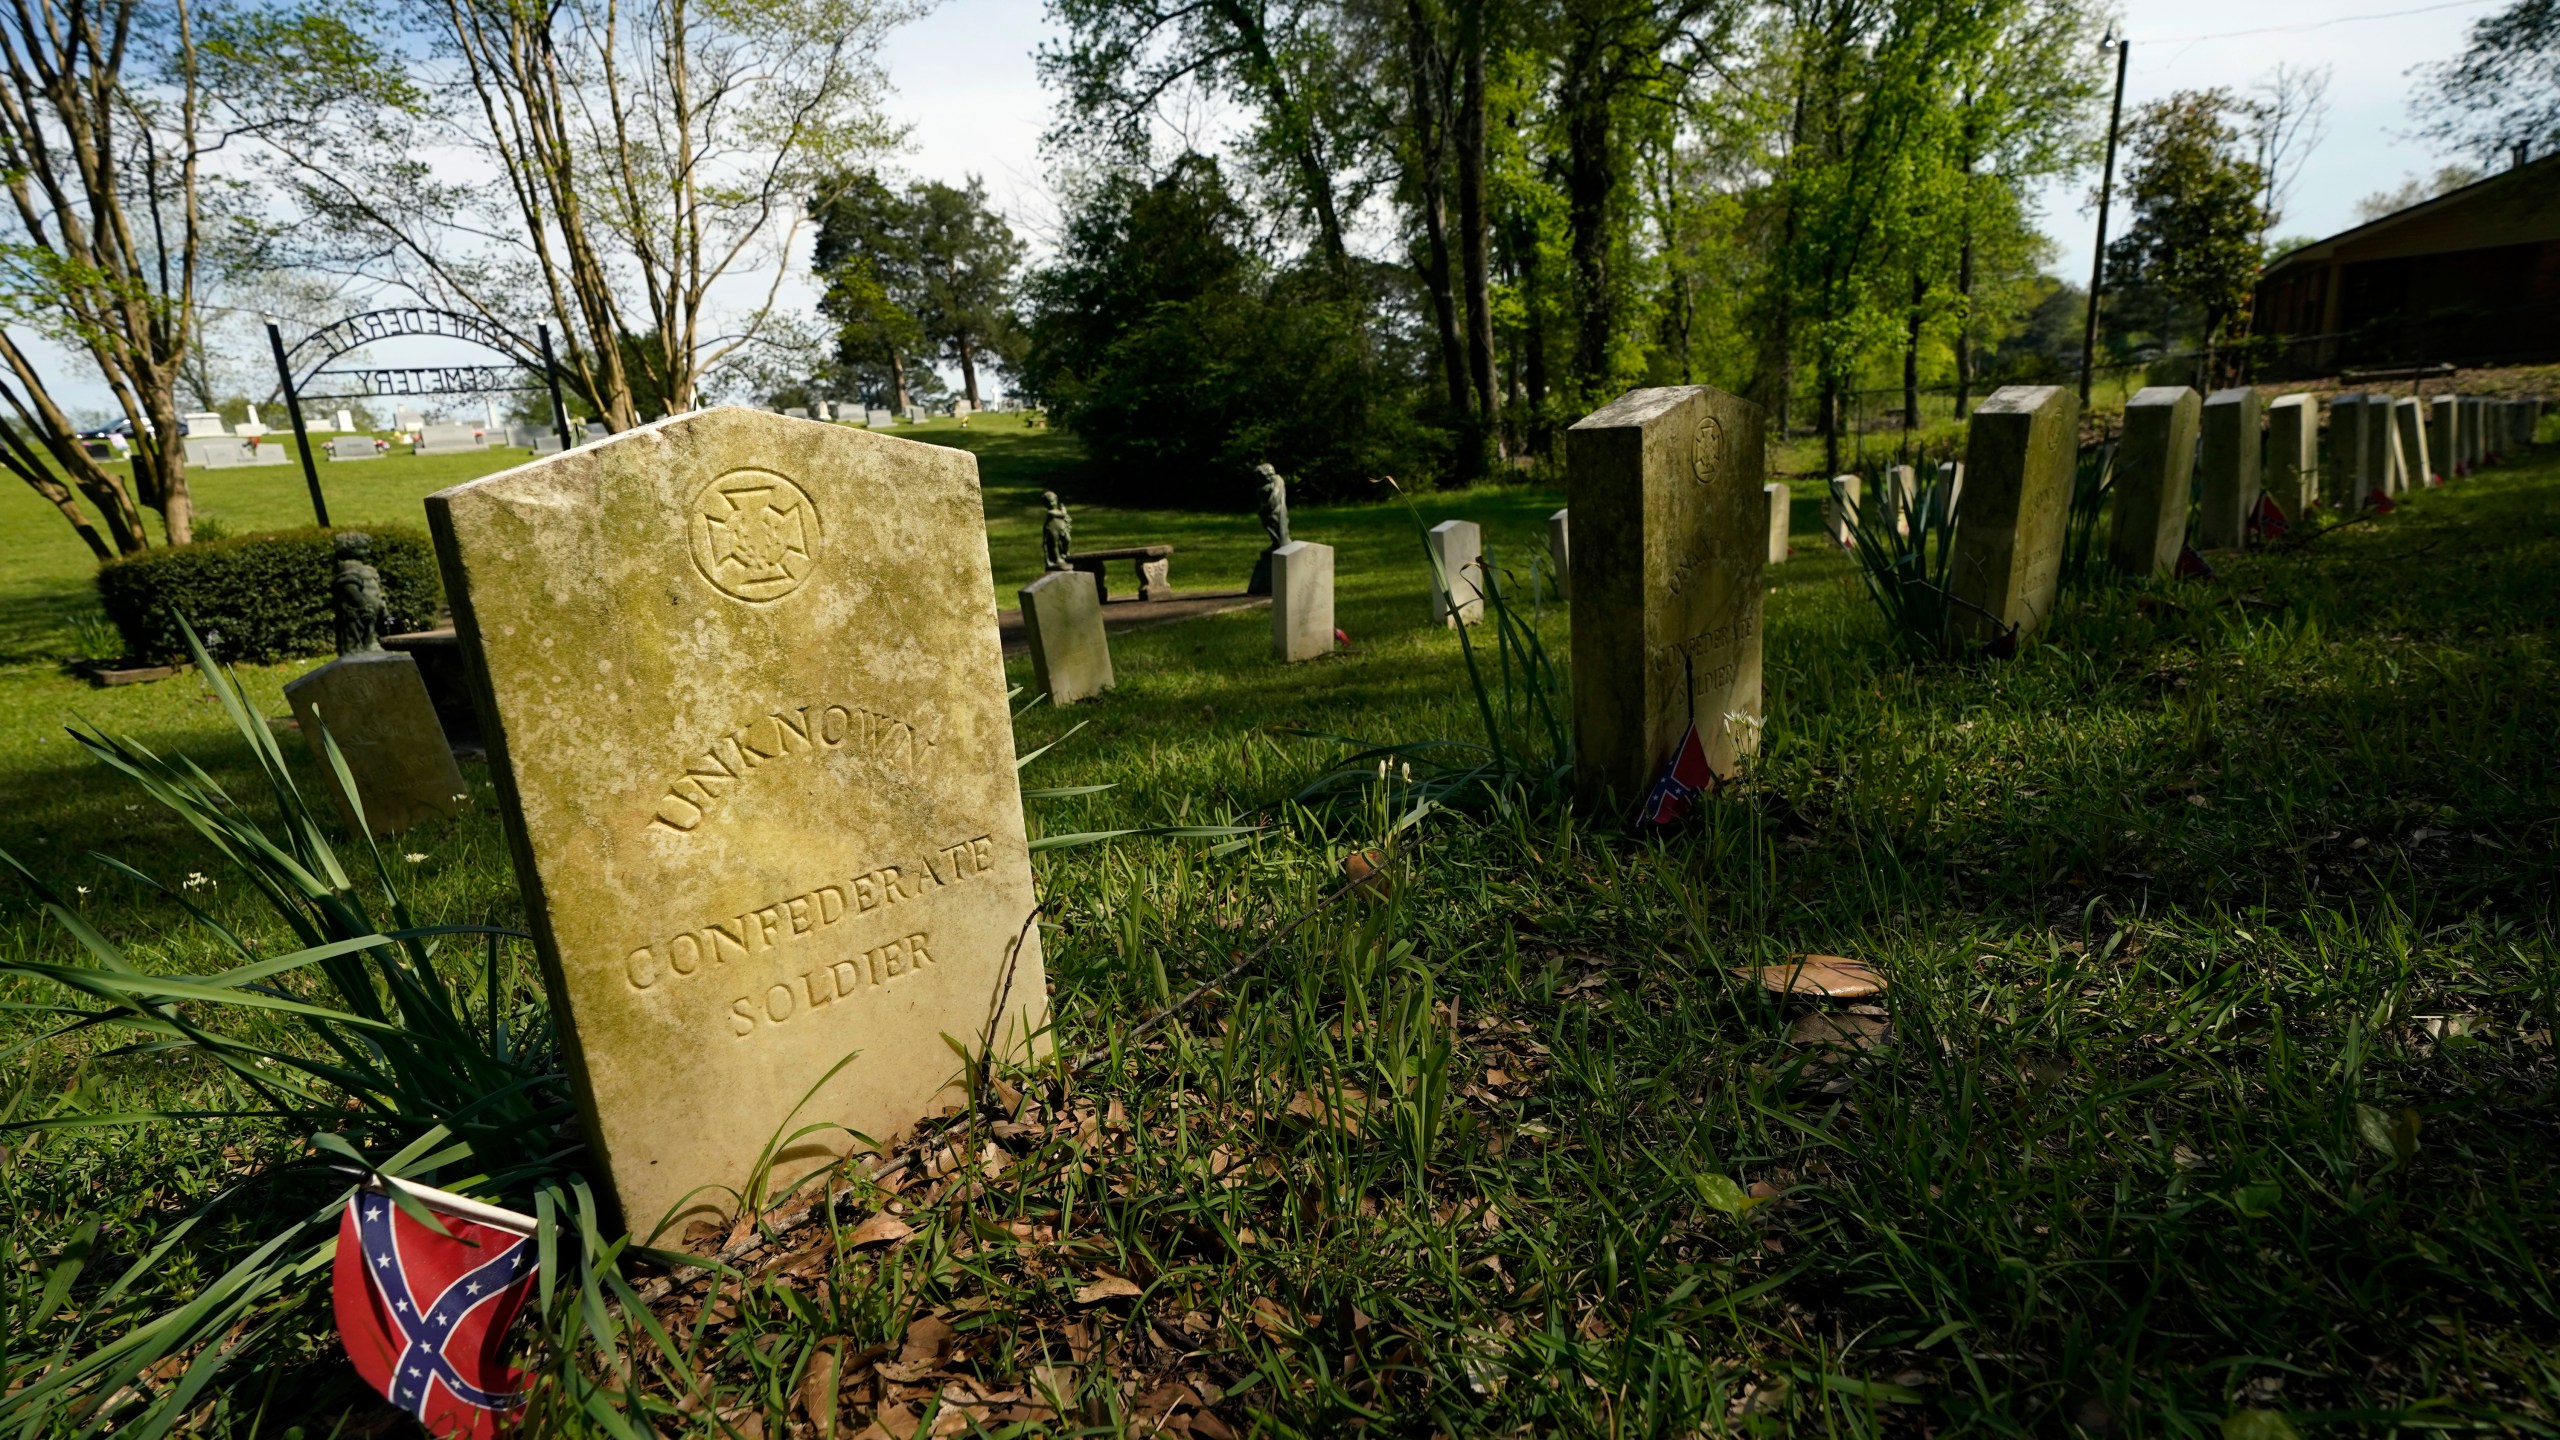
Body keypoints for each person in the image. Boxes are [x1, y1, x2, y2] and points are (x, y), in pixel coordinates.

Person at [1041, 491, 1073, 571]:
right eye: (1049, 503)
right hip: (1052, 529)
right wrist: (1064, 509)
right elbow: (1062, 514)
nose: (1051, 504)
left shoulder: (1057, 510)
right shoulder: (1050, 512)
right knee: (1054, 544)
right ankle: (1057, 558)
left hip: (1062, 528)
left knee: (1067, 539)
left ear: (1056, 500)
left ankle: (1065, 553)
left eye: (1053, 501)